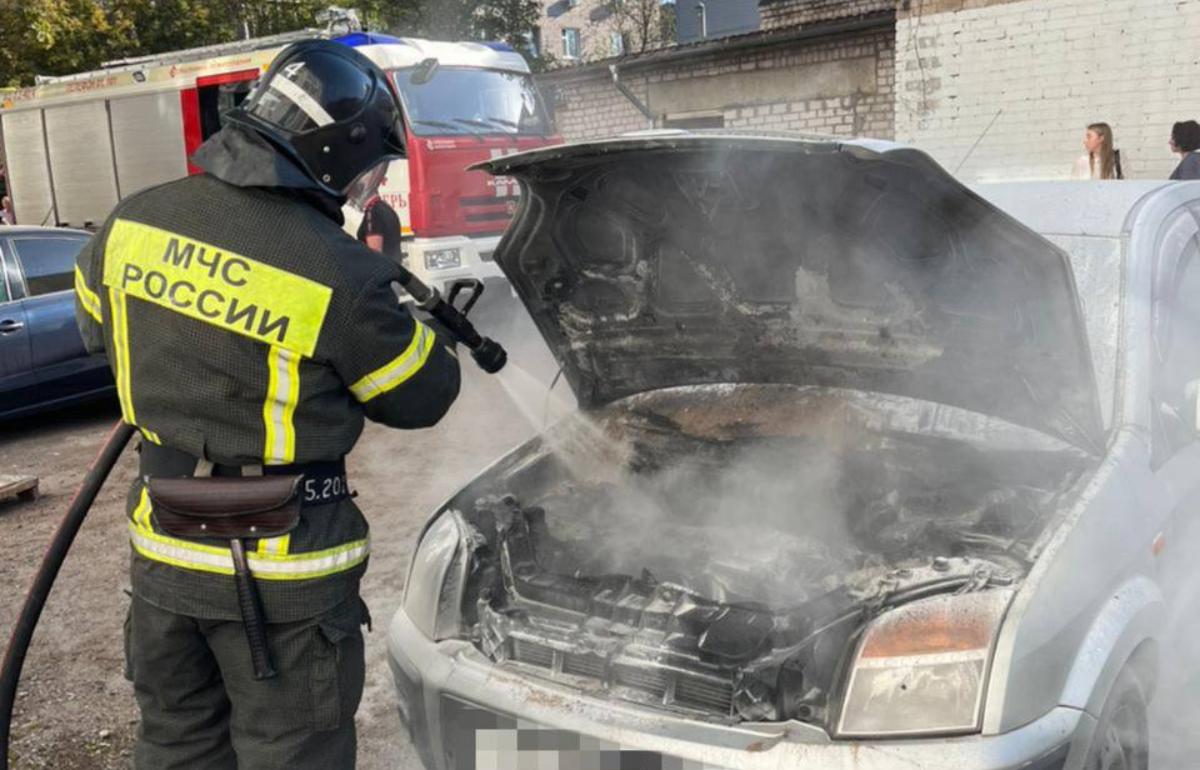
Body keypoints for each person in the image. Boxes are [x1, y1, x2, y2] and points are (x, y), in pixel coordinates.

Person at [72, 39, 461, 769]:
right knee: (293, 756)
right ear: (335, 152)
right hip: (283, 585)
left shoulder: (129, 222)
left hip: (164, 557)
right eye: (370, 164)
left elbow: (99, 331)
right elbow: (420, 398)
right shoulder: (341, 273)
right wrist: (420, 331)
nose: (366, 183)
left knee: (177, 748)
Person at [348, 163, 403, 262]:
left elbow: (375, 253)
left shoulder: (372, 213)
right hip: (395, 268)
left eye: (353, 193)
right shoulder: (386, 209)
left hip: (383, 272)